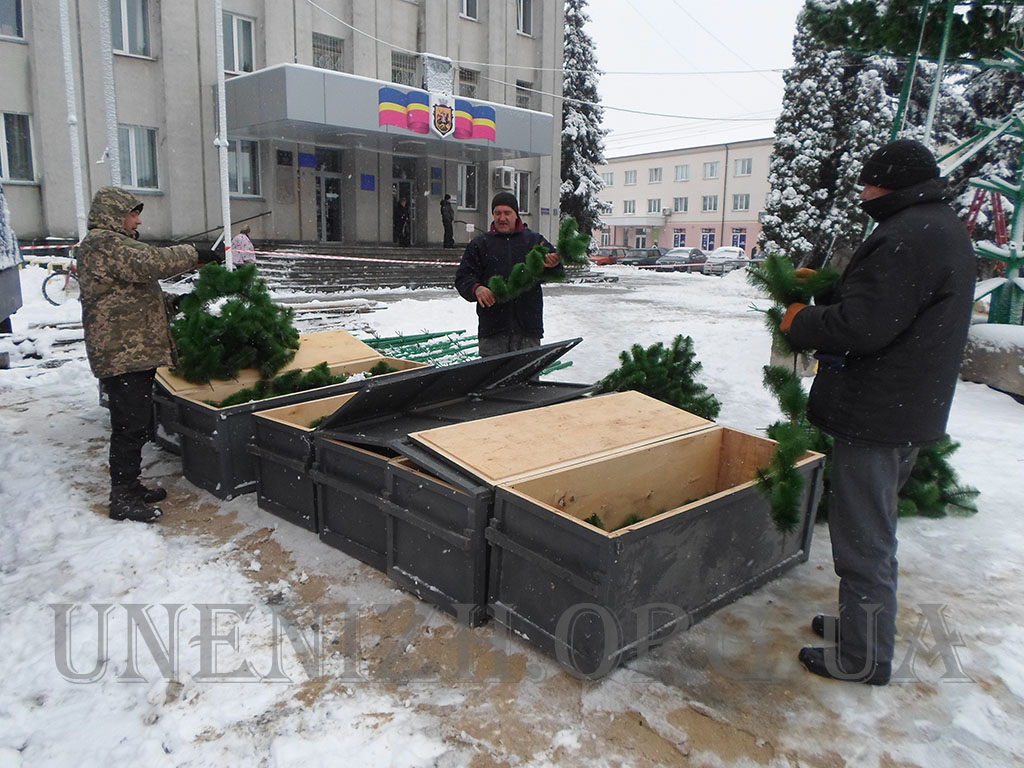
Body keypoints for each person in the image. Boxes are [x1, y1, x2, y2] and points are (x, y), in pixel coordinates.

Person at [780, 139, 975, 685]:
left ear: (889, 183)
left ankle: (864, 657)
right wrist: (820, 288)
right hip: (903, 408)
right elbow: (878, 299)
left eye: (867, 184)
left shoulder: (907, 236)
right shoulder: (935, 226)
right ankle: (860, 628)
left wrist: (799, 320)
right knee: (874, 531)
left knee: (864, 540)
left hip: (879, 413)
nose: (862, 194)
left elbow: (862, 326)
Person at [78, 186, 215, 523]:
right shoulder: (103, 243)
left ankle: (130, 485)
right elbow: (150, 262)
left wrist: (174, 303)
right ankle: (122, 497)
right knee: (129, 425)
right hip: (121, 354)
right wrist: (195, 252)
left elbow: (132, 294)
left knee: (135, 423)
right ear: (113, 214)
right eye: (133, 213)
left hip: (132, 352)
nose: (138, 220)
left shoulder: (111, 249)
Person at [455, 192, 560, 356]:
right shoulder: (480, 244)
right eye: (498, 213)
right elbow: (463, 277)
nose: (502, 218)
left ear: (516, 215)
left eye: (507, 212)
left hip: (528, 329)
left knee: (527, 379)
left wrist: (551, 264)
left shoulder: (533, 241)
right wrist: (477, 289)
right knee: (493, 379)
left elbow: (557, 270)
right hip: (493, 331)